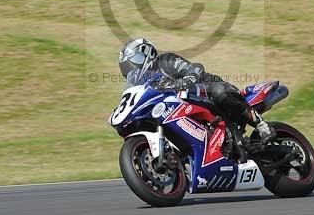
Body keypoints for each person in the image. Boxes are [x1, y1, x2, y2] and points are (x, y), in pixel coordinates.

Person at [118, 38, 275, 144]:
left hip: (204, 88)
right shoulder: (141, 84)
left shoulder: (165, 61)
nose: (131, 68)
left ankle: (262, 126)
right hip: (178, 108)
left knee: (219, 92)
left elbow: (193, 68)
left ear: (146, 54)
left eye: (133, 61)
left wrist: (187, 79)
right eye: (127, 65)